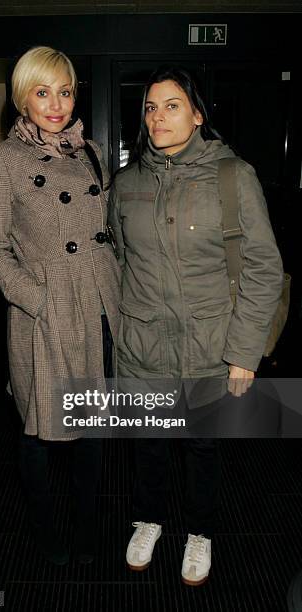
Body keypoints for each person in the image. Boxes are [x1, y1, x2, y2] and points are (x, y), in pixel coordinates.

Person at [108, 65, 284, 585]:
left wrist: (245, 353)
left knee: (203, 447)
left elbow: (263, 266)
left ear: (198, 113)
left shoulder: (233, 177)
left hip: (210, 347)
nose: (158, 117)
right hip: (143, 348)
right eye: (150, 107)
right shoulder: (126, 182)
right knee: (148, 443)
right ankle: (149, 520)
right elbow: (120, 262)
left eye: (172, 105)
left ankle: (200, 531)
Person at [0, 46, 120, 564]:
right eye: (43, 92)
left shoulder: (93, 151)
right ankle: (44, 531)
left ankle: (85, 525)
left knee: (93, 430)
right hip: (45, 314)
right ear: (23, 98)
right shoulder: (3, 159)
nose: (56, 104)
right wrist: (38, 300)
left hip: (101, 305)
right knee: (39, 427)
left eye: (64, 91)